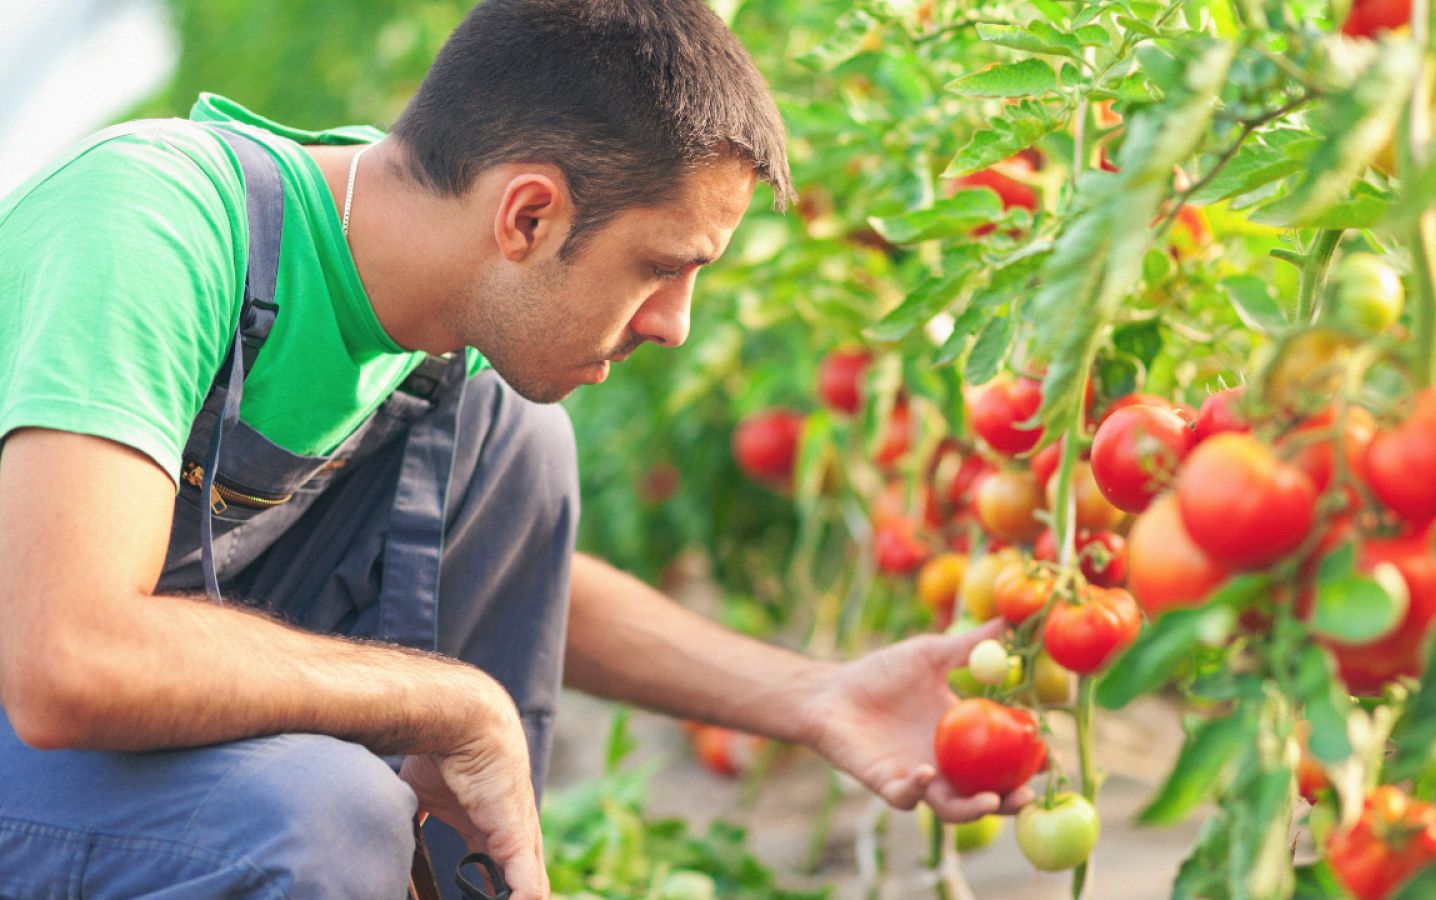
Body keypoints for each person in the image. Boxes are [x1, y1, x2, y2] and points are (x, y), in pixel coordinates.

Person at [0, 0, 1031, 896]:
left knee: (510, 441)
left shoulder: (414, 292)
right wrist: (453, 702)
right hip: (31, 715)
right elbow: (68, 657)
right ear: (528, 214)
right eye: (662, 267)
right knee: (323, 813)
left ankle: (452, 883)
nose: (674, 323)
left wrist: (814, 697)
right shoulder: (151, 227)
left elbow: (534, 587)